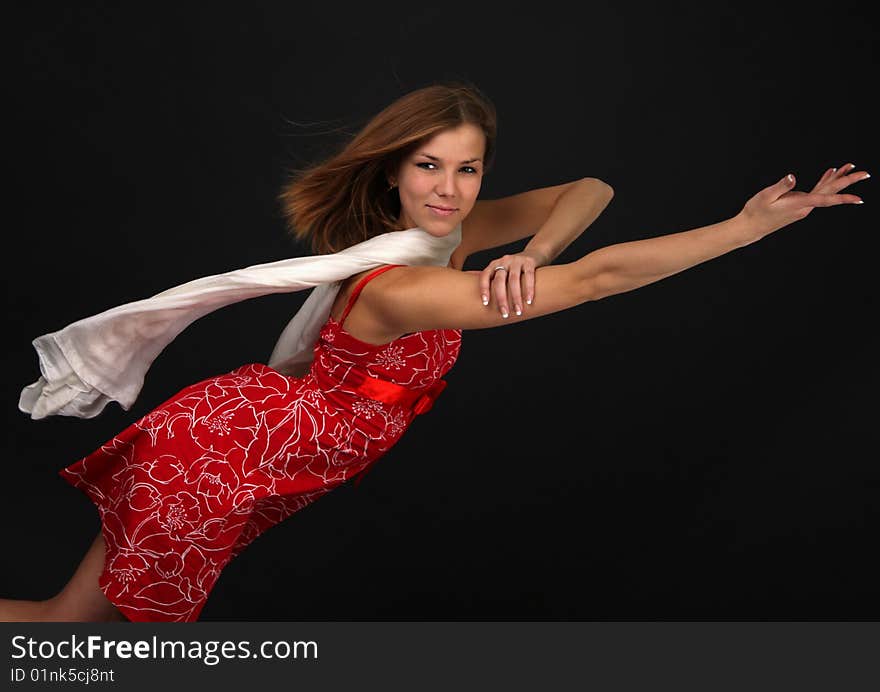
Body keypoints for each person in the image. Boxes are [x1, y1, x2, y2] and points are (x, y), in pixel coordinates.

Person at [0, 81, 868, 622]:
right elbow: (601, 281)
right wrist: (745, 230)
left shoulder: (436, 238)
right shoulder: (408, 285)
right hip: (223, 457)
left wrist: (532, 251)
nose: (450, 192)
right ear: (392, 173)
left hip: (247, 444)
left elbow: (588, 189)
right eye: (428, 168)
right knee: (122, 649)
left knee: (61, 623)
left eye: (469, 170)